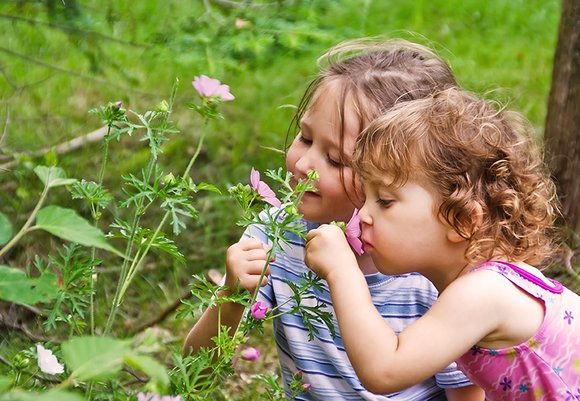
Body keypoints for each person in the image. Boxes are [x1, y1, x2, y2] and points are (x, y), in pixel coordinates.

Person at [184, 38, 484, 400]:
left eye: (337, 161)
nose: (304, 164)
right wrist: (232, 296)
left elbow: (465, 394)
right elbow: (194, 376)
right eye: (305, 137)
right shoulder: (276, 237)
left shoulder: (432, 271)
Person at [304, 87, 580, 400]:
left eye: (384, 200)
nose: (363, 215)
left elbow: (384, 370)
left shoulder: (485, 291)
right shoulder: (484, 283)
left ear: (461, 221)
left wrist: (343, 273)